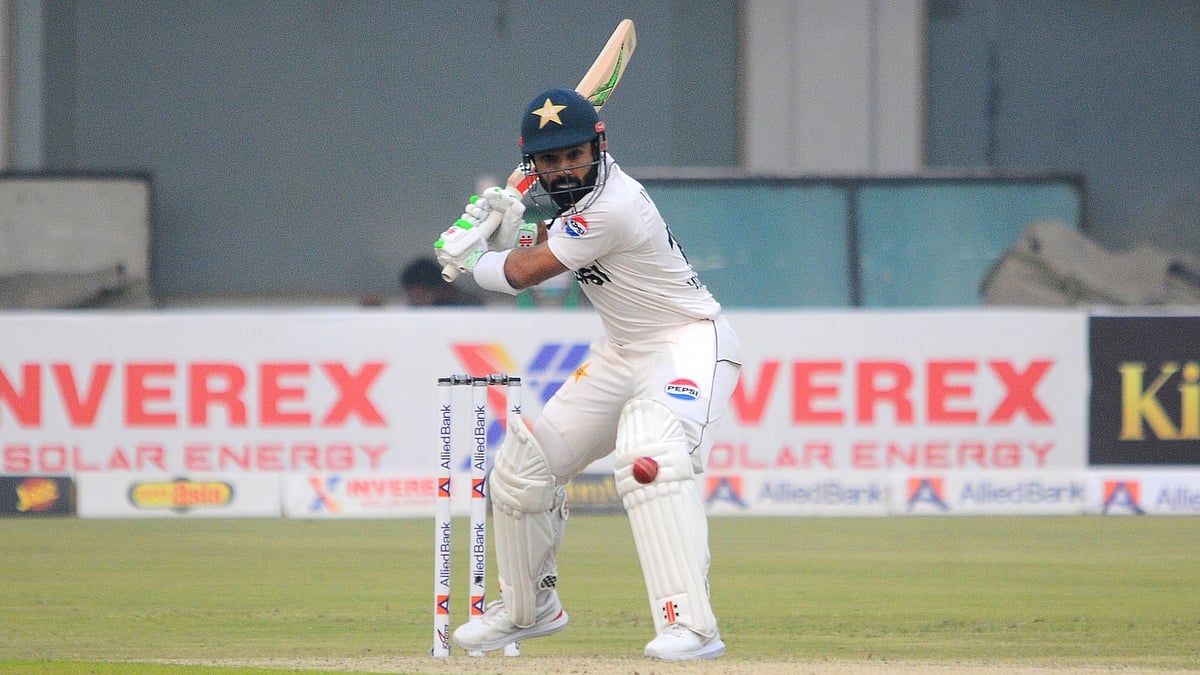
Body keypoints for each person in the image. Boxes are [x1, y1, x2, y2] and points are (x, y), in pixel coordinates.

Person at [433, 87, 741, 661]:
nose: (563, 169)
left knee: (650, 459)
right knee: (522, 470)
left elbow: (527, 273)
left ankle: (690, 625)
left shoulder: (616, 203)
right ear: (535, 165)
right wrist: (505, 231)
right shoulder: (576, 206)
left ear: (598, 147)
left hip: (687, 343)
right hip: (620, 350)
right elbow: (543, 245)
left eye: (573, 155)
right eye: (549, 161)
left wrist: (475, 255)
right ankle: (530, 610)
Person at [399, 257, 481, 306]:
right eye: (414, 297)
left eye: (423, 295)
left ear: (440, 288)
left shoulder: (468, 305)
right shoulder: (412, 309)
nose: (419, 301)